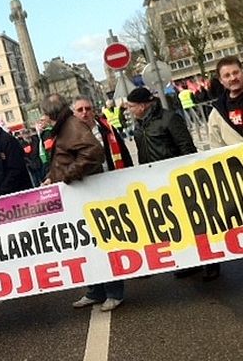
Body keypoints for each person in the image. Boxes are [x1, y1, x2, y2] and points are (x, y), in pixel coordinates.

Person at [126, 87, 219, 281]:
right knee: (177, 225)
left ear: (143, 105)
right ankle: (191, 262)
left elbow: (187, 148)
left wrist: (186, 175)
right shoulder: (139, 125)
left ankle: (211, 262)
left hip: (178, 180)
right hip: (157, 183)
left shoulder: (169, 119)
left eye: (132, 106)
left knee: (196, 222)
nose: (129, 110)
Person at [71, 95, 134, 311]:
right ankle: (95, 291)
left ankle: (115, 292)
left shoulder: (107, 130)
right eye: (79, 109)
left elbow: (123, 155)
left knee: (109, 244)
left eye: (88, 108)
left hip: (109, 194)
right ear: (74, 113)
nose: (84, 112)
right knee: (88, 246)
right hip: (84, 197)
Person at [41, 94, 104, 185]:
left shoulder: (72, 127)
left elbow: (94, 152)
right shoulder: (65, 126)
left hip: (84, 188)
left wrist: (67, 176)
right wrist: (51, 178)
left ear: (49, 114)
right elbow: (63, 160)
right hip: (78, 188)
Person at [209, 56, 243, 148]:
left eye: (236, 73)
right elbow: (216, 148)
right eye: (227, 75)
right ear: (221, 80)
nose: (233, 78)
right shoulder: (217, 113)